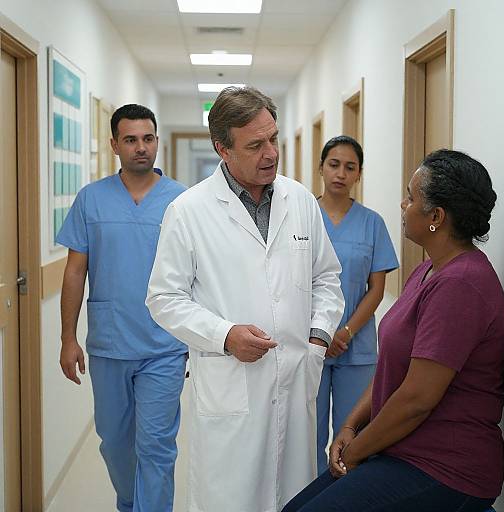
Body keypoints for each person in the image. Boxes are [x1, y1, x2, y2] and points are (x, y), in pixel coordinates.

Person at [146, 86, 344, 512]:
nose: (270, 153)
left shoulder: (301, 201)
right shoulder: (189, 211)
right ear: (222, 148)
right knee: (229, 498)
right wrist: (224, 334)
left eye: (273, 138)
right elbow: (163, 298)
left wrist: (317, 339)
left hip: (294, 379)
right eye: (255, 145)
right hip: (231, 385)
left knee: (294, 497)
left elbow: (327, 278)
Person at [283, 149, 504, 512]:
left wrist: (358, 449)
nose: (403, 204)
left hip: (446, 466)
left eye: (411, 196)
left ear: (435, 216)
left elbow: (416, 400)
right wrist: (350, 427)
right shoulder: (427, 272)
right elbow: (395, 369)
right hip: (401, 448)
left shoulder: (462, 284)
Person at [57, 104, 187, 512]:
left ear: (157, 142)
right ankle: (130, 502)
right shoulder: (91, 199)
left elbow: (199, 273)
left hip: (164, 347)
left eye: (148, 139)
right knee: (114, 442)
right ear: (115, 144)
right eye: (130, 140)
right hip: (109, 344)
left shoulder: (181, 201)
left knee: (157, 445)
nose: (140, 148)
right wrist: (67, 338)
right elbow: (75, 272)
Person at [315, 136, 398, 474]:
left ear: (359, 174)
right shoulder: (302, 216)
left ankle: (345, 498)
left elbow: (376, 289)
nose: (340, 173)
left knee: (353, 437)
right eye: (334, 164)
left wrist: (345, 332)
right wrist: (322, 333)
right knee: (308, 433)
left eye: (350, 167)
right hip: (311, 343)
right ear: (321, 167)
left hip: (357, 344)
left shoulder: (372, 223)